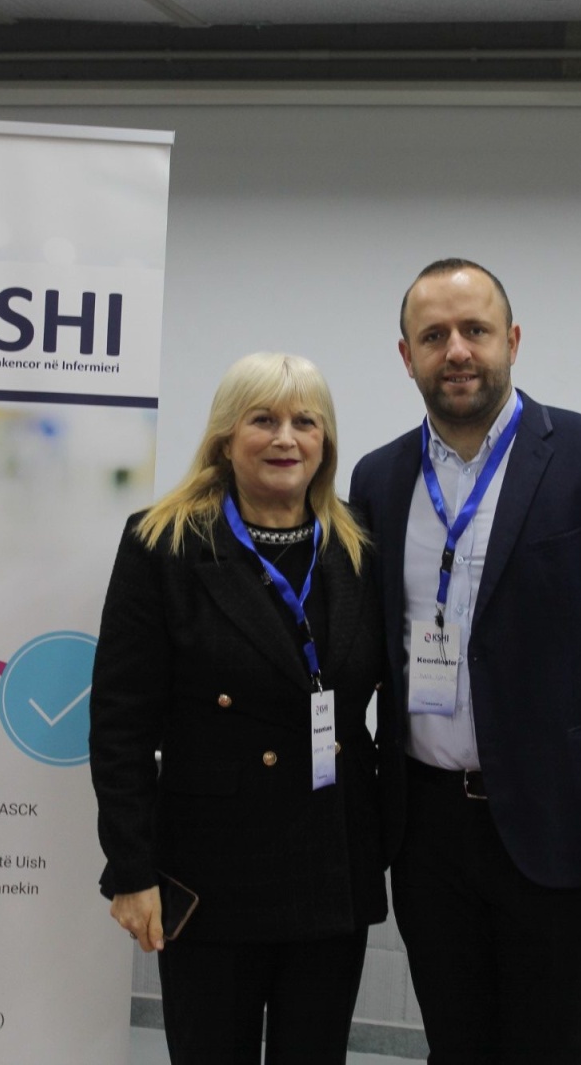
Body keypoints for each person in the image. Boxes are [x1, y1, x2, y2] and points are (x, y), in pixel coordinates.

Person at [349, 259, 581, 1065]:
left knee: (551, 1049)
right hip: (427, 832)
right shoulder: (379, 478)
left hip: (558, 828)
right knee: (454, 1047)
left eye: (474, 330)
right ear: (406, 356)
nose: (456, 351)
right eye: (434, 335)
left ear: (512, 339)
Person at [90, 351, 387, 1065]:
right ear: (226, 436)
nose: (286, 438)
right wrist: (131, 870)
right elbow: (121, 724)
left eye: (305, 422)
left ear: (325, 441)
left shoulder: (358, 544)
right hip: (212, 869)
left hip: (331, 862)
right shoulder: (163, 544)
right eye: (263, 420)